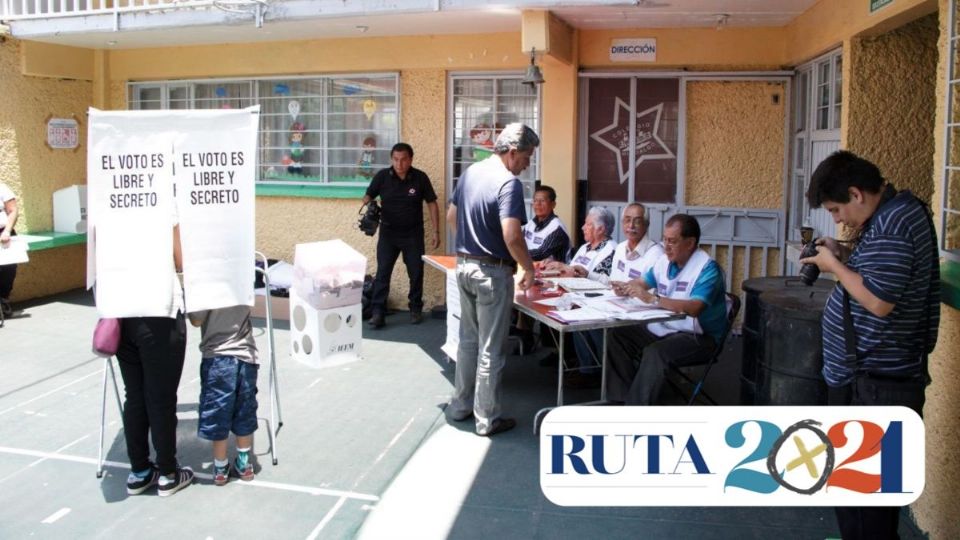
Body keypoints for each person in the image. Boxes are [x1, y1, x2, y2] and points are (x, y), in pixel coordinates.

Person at [799, 150, 939, 540]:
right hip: (871, 378)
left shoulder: (894, 223)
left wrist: (835, 267)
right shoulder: (892, 216)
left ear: (857, 194)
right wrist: (844, 252)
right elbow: (883, 276)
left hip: (877, 383)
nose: (837, 219)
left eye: (835, 209)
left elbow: (879, 301)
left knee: (867, 503)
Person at [445, 122, 538, 437]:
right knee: (490, 348)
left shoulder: (471, 173)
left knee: (468, 341)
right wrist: (529, 267)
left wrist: (471, 246)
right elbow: (512, 235)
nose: (527, 164)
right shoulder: (508, 184)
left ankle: (460, 406)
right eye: (527, 156)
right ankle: (487, 418)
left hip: (464, 266)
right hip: (492, 272)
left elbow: (450, 217)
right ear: (512, 153)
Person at [604, 214, 728, 405]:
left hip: (700, 337)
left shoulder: (708, 269)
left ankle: (636, 410)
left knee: (657, 352)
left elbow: (694, 308)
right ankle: (622, 398)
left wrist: (654, 299)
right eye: (664, 239)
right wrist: (626, 287)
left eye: (672, 241)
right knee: (618, 335)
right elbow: (643, 281)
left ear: (690, 243)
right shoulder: (665, 262)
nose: (666, 245)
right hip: (666, 327)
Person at [117, 225, 193, 497]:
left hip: (122, 309)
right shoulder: (163, 202)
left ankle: (139, 472)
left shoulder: (111, 199)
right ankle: (168, 474)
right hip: (160, 309)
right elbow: (181, 259)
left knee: (135, 396)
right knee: (160, 397)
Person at [568, 203, 664, 388]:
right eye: (627, 220)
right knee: (578, 309)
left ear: (646, 225)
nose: (632, 226)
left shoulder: (655, 253)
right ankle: (591, 370)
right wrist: (589, 274)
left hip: (640, 311)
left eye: (637, 221)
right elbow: (611, 281)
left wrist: (628, 290)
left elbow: (651, 293)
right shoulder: (620, 248)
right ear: (622, 223)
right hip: (617, 303)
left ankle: (607, 373)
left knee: (599, 324)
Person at [363, 142, 440, 329]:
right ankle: (378, 313)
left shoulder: (420, 178)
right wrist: (370, 206)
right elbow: (367, 196)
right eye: (396, 159)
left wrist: (437, 231)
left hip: (412, 234)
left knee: (416, 273)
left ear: (410, 159)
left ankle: (415, 308)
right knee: (382, 273)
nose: (399, 164)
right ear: (392, 159)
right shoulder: (382, 176)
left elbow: (432, 203)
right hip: (388, 233)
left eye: (404, 159)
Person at [189, 305, 259, 486]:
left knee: (218, 411)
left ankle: (220, 466)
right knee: (244, 409)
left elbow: (196, 320)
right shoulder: (244, 278)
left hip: (217, 356)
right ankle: (244, 463)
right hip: (245, 353)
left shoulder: (206, 282)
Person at [542, 206, 616, 280]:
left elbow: (603, 282)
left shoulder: (610, 250)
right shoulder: (585, 247)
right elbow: (571, 270)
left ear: (600, 229)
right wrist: (555, 266)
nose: (583, 228)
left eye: (588, 224)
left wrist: (564, 267)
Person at [523, 185, 570, 264]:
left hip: (556, 274)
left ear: (553, 204)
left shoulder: (556, 228)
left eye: (542, 200)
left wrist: (516, 253)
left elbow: (541, 253)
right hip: (531, 269)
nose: (538, 204)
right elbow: (519, 242)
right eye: (535, 200)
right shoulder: (530, 224)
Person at [0, 181, 19, 317]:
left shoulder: (2, 187)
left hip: (4, 233)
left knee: (8, 269)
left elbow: (13, 210)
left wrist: (7, 231)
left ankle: (4, 300)